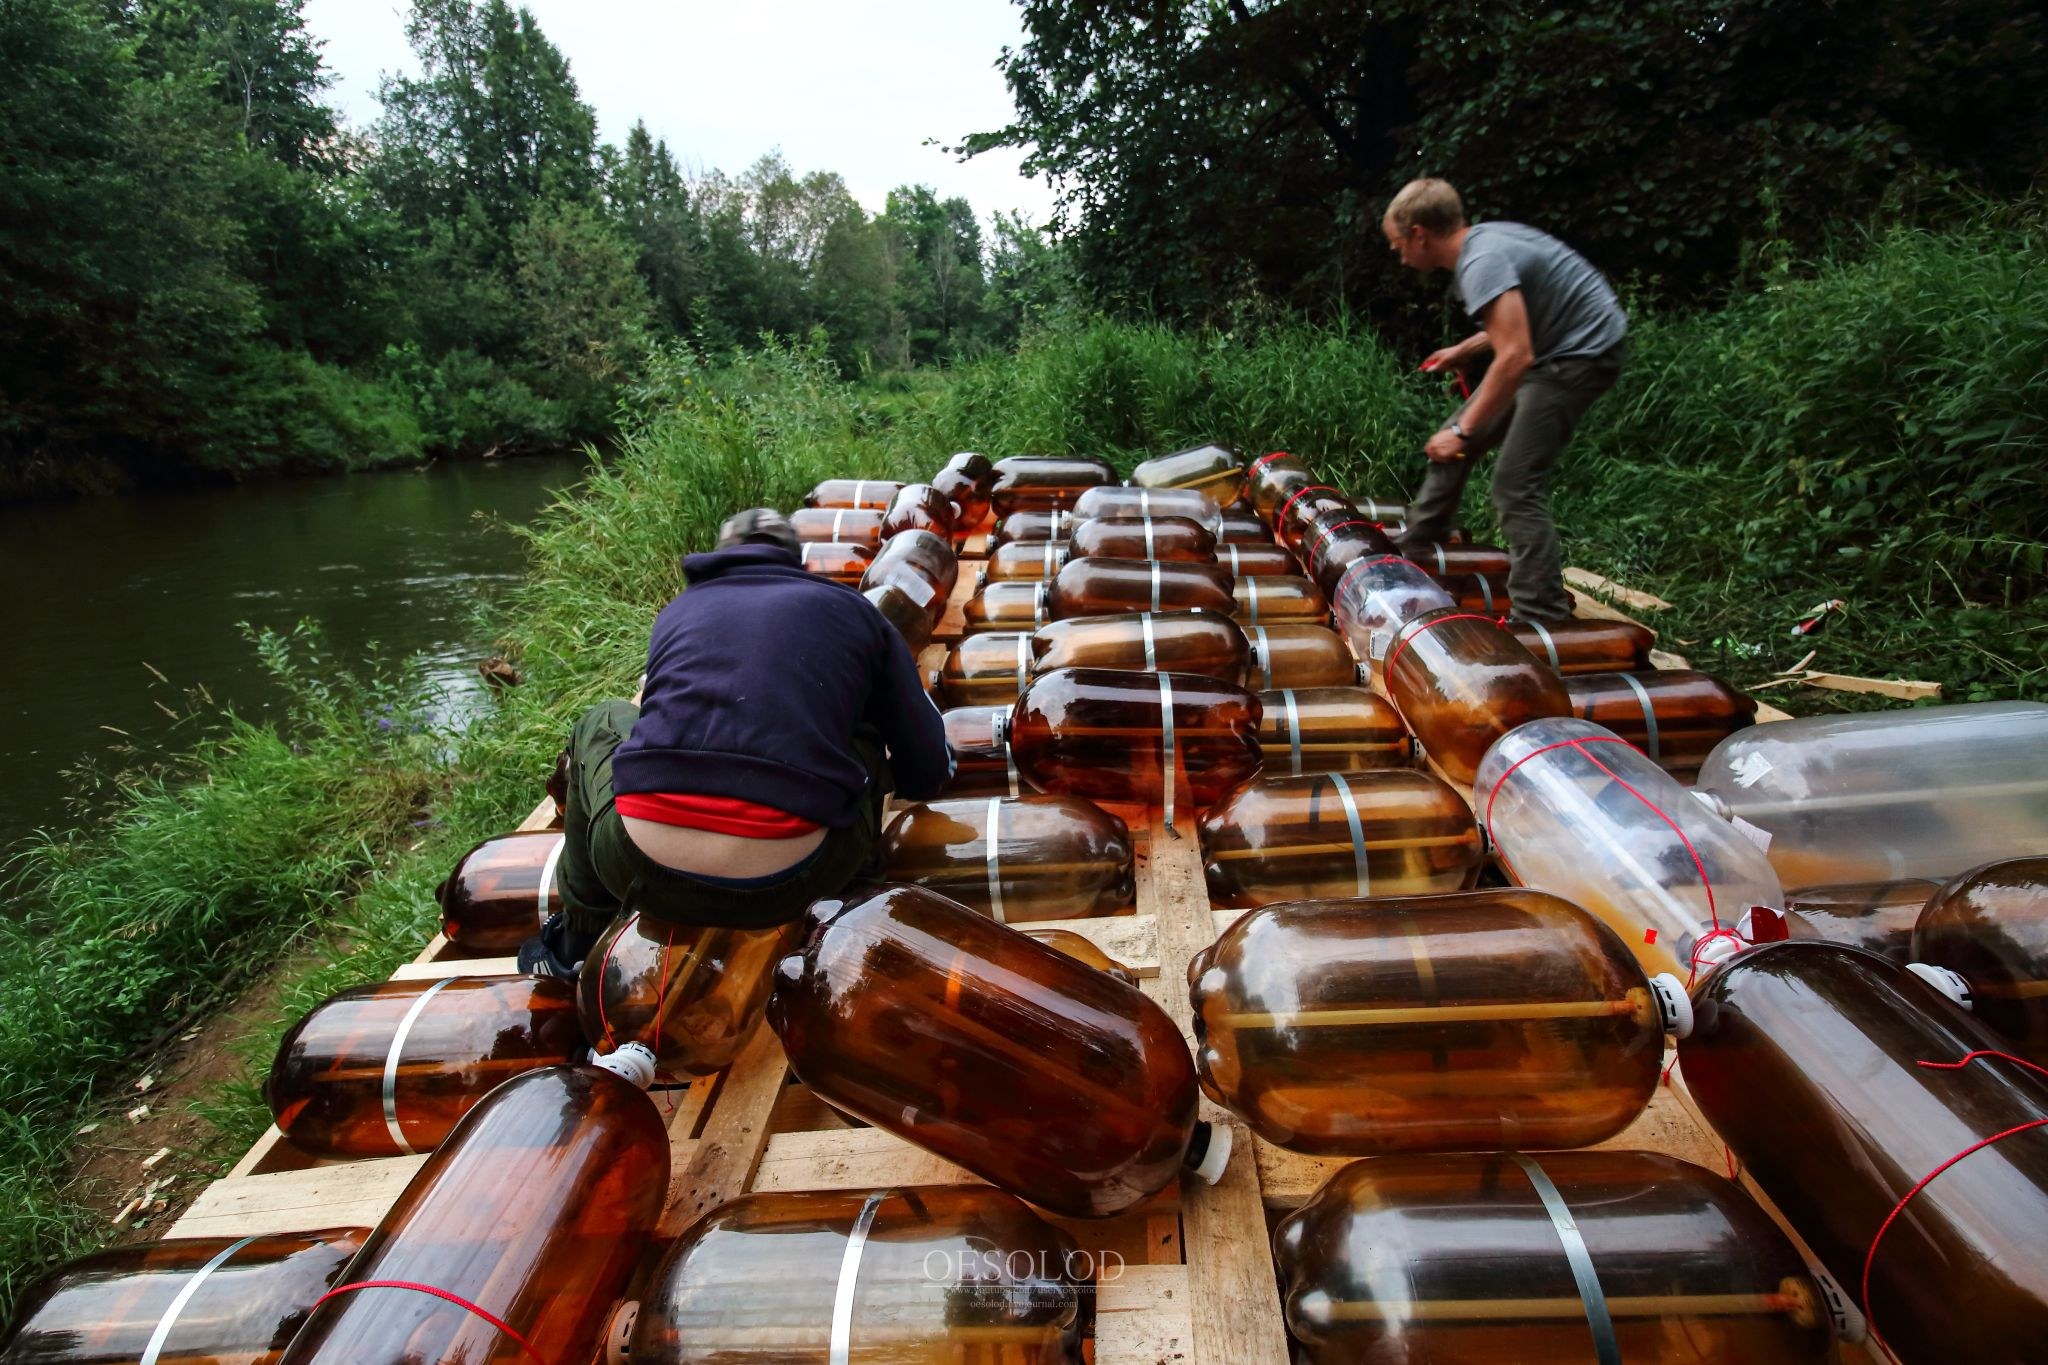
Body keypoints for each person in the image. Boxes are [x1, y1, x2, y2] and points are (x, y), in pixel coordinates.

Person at [518, 507, 953, 977]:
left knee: (601, 718)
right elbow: (926, 772)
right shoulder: (855, 612)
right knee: (863, 729)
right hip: (793, 884)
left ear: (720, 558)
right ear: (798, 562)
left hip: (634, 868)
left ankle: (578, 939)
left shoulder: (679, 611)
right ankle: (848, 911)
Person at [1381, 178, 1628, 624]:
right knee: (1453, 444)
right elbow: (1515, 322)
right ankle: (1418, 541)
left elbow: (1516, 355)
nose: (1398, 255)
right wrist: (1464, 351)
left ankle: (1542, 614)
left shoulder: (1482, 260)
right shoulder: (1486, 243)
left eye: (1398, 244)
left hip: (1579, 357)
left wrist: (1462, 429)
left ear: (1419, 234)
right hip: (1550, 349)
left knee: (1513, 484)